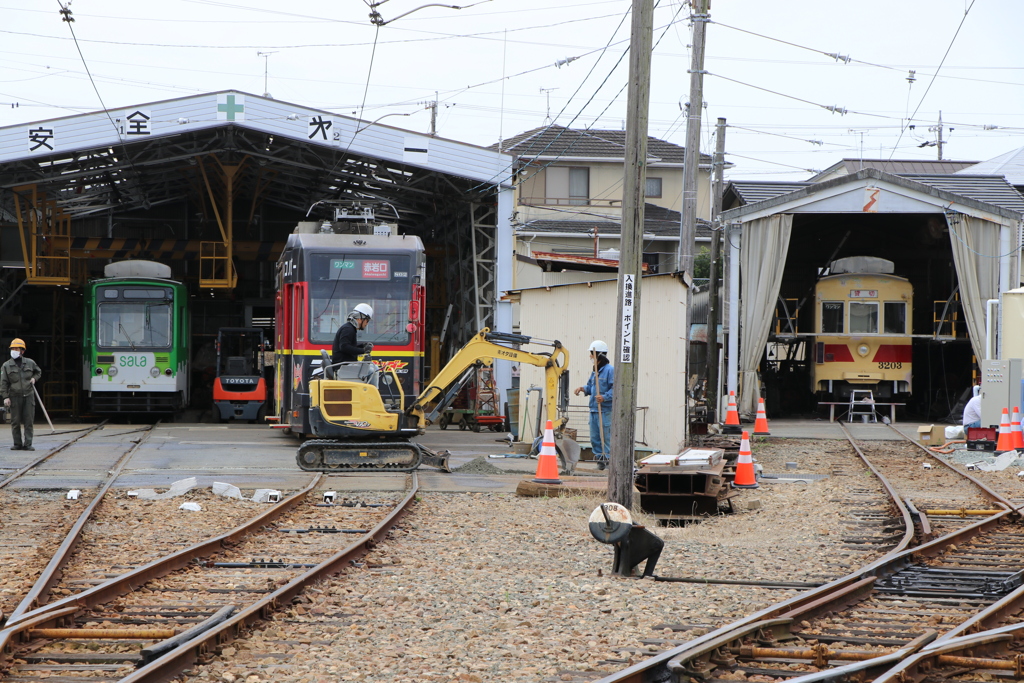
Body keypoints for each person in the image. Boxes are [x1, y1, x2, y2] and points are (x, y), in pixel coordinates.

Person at [574, 340, 614, 470]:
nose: (590, 356)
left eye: (592, 353)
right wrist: (582, 388)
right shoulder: (595, 371)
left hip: (605, 411)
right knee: (595, 437)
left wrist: (604, 397)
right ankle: (600, 461)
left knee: (606, 437)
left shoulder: (610, 370)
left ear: (598, 354)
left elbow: (616, 388)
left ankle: (609, 461)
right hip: (594, 410)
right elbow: (592, 387)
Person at [1, 338, 42, 451]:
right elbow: (3, 383)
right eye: (12, 348)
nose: (14, 350)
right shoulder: (6, 365)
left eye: (16, 348)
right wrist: (5, 397)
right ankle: (17, 443)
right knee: (15, 421)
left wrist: (34, 378)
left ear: (22, 351)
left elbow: (38, 371)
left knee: (29, 421)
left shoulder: (30, 363)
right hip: (14, 396)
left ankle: (28, 444)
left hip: (28, 395)